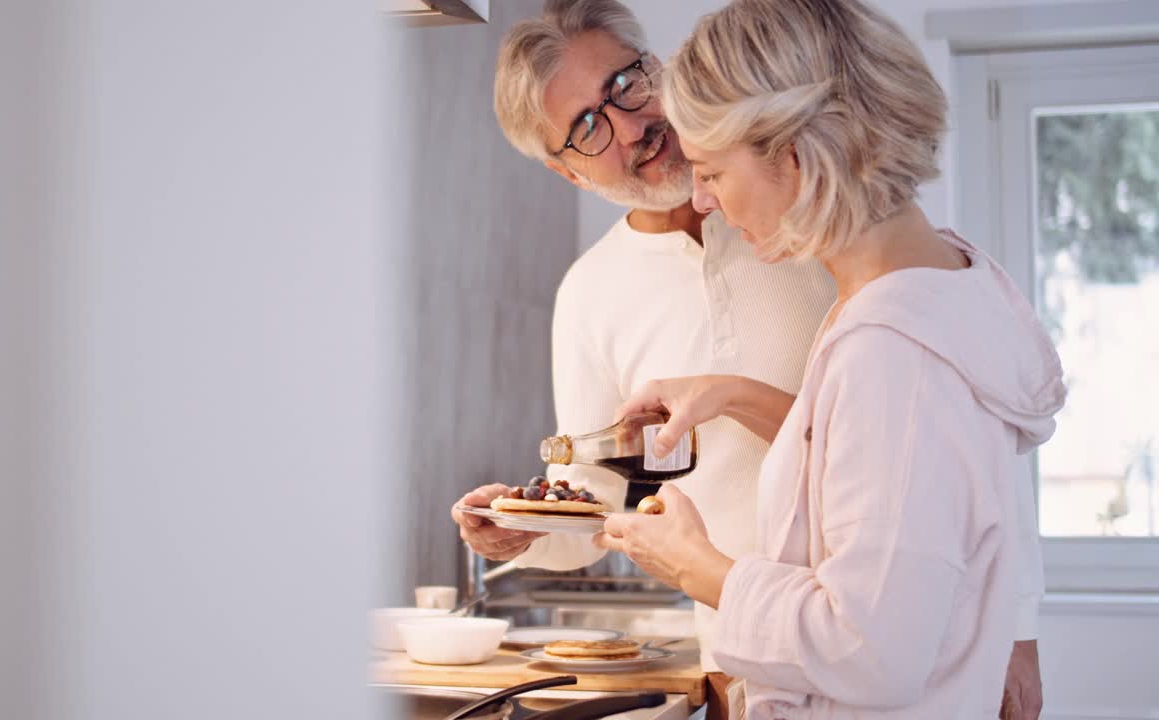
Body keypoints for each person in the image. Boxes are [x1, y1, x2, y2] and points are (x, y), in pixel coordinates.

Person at [593, 1, 1066, 718]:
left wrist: (702, 567)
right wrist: (732, 392)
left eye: (713, 172)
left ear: (797, 156)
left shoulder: (890, 351)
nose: (703, 199)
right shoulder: (941, 285)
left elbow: (870, 651)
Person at [449, 2, 833, 717]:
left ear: (658, 68)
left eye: (626, 83)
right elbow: (594, 508)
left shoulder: (809, 203)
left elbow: (946, 416)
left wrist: (1019, 629)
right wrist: (524, 533)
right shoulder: (590, 294)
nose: (631, 125)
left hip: (889, 622)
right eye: (587, 127)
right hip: (741, 657)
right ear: (569, 174)